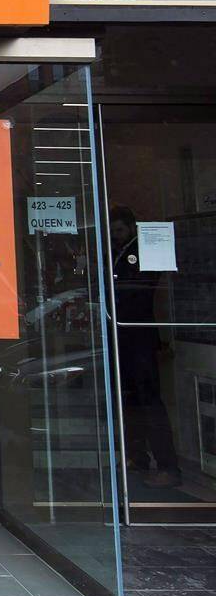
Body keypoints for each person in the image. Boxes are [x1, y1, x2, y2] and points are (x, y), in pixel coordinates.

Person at [109, 205, 180, 489]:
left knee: (149, 401)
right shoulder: (118, 252)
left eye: (119, 230)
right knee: (130, 399)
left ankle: (168, 467)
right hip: (124, 337)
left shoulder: (142, 252)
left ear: (131, 227)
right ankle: (137, 456)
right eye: (112, 231)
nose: (115, 235)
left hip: (138, 337)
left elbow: (141, 292)